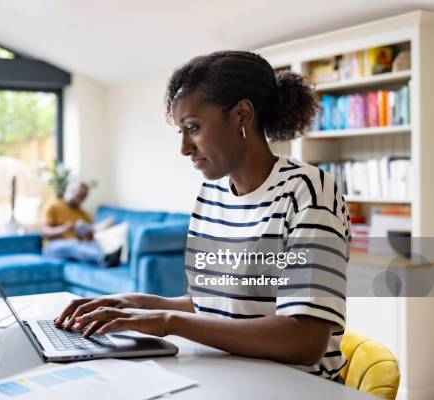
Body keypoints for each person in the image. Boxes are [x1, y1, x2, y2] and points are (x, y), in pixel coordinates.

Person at [54, 51, 350, 381]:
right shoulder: (211, 196)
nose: (184, 147)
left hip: (298, 388)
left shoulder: (308, 189)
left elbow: (304, 339)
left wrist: (168, 322)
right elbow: (209, 306)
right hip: (228, 376)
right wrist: (132, 302)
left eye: (193, 127)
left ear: (242, 115)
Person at [42, 181, 121, 267]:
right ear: (71, 191)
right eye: (79, 195)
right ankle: (105, 258)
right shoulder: (53, 207)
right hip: (54, 246)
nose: (80, 199)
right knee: (73, 244)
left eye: (83, 197)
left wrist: (87, 236)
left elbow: (90, 236)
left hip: (79, 245)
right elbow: (45, 232)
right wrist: (64, 228)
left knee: (91, 244)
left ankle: (106, 259)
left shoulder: (85, 215)